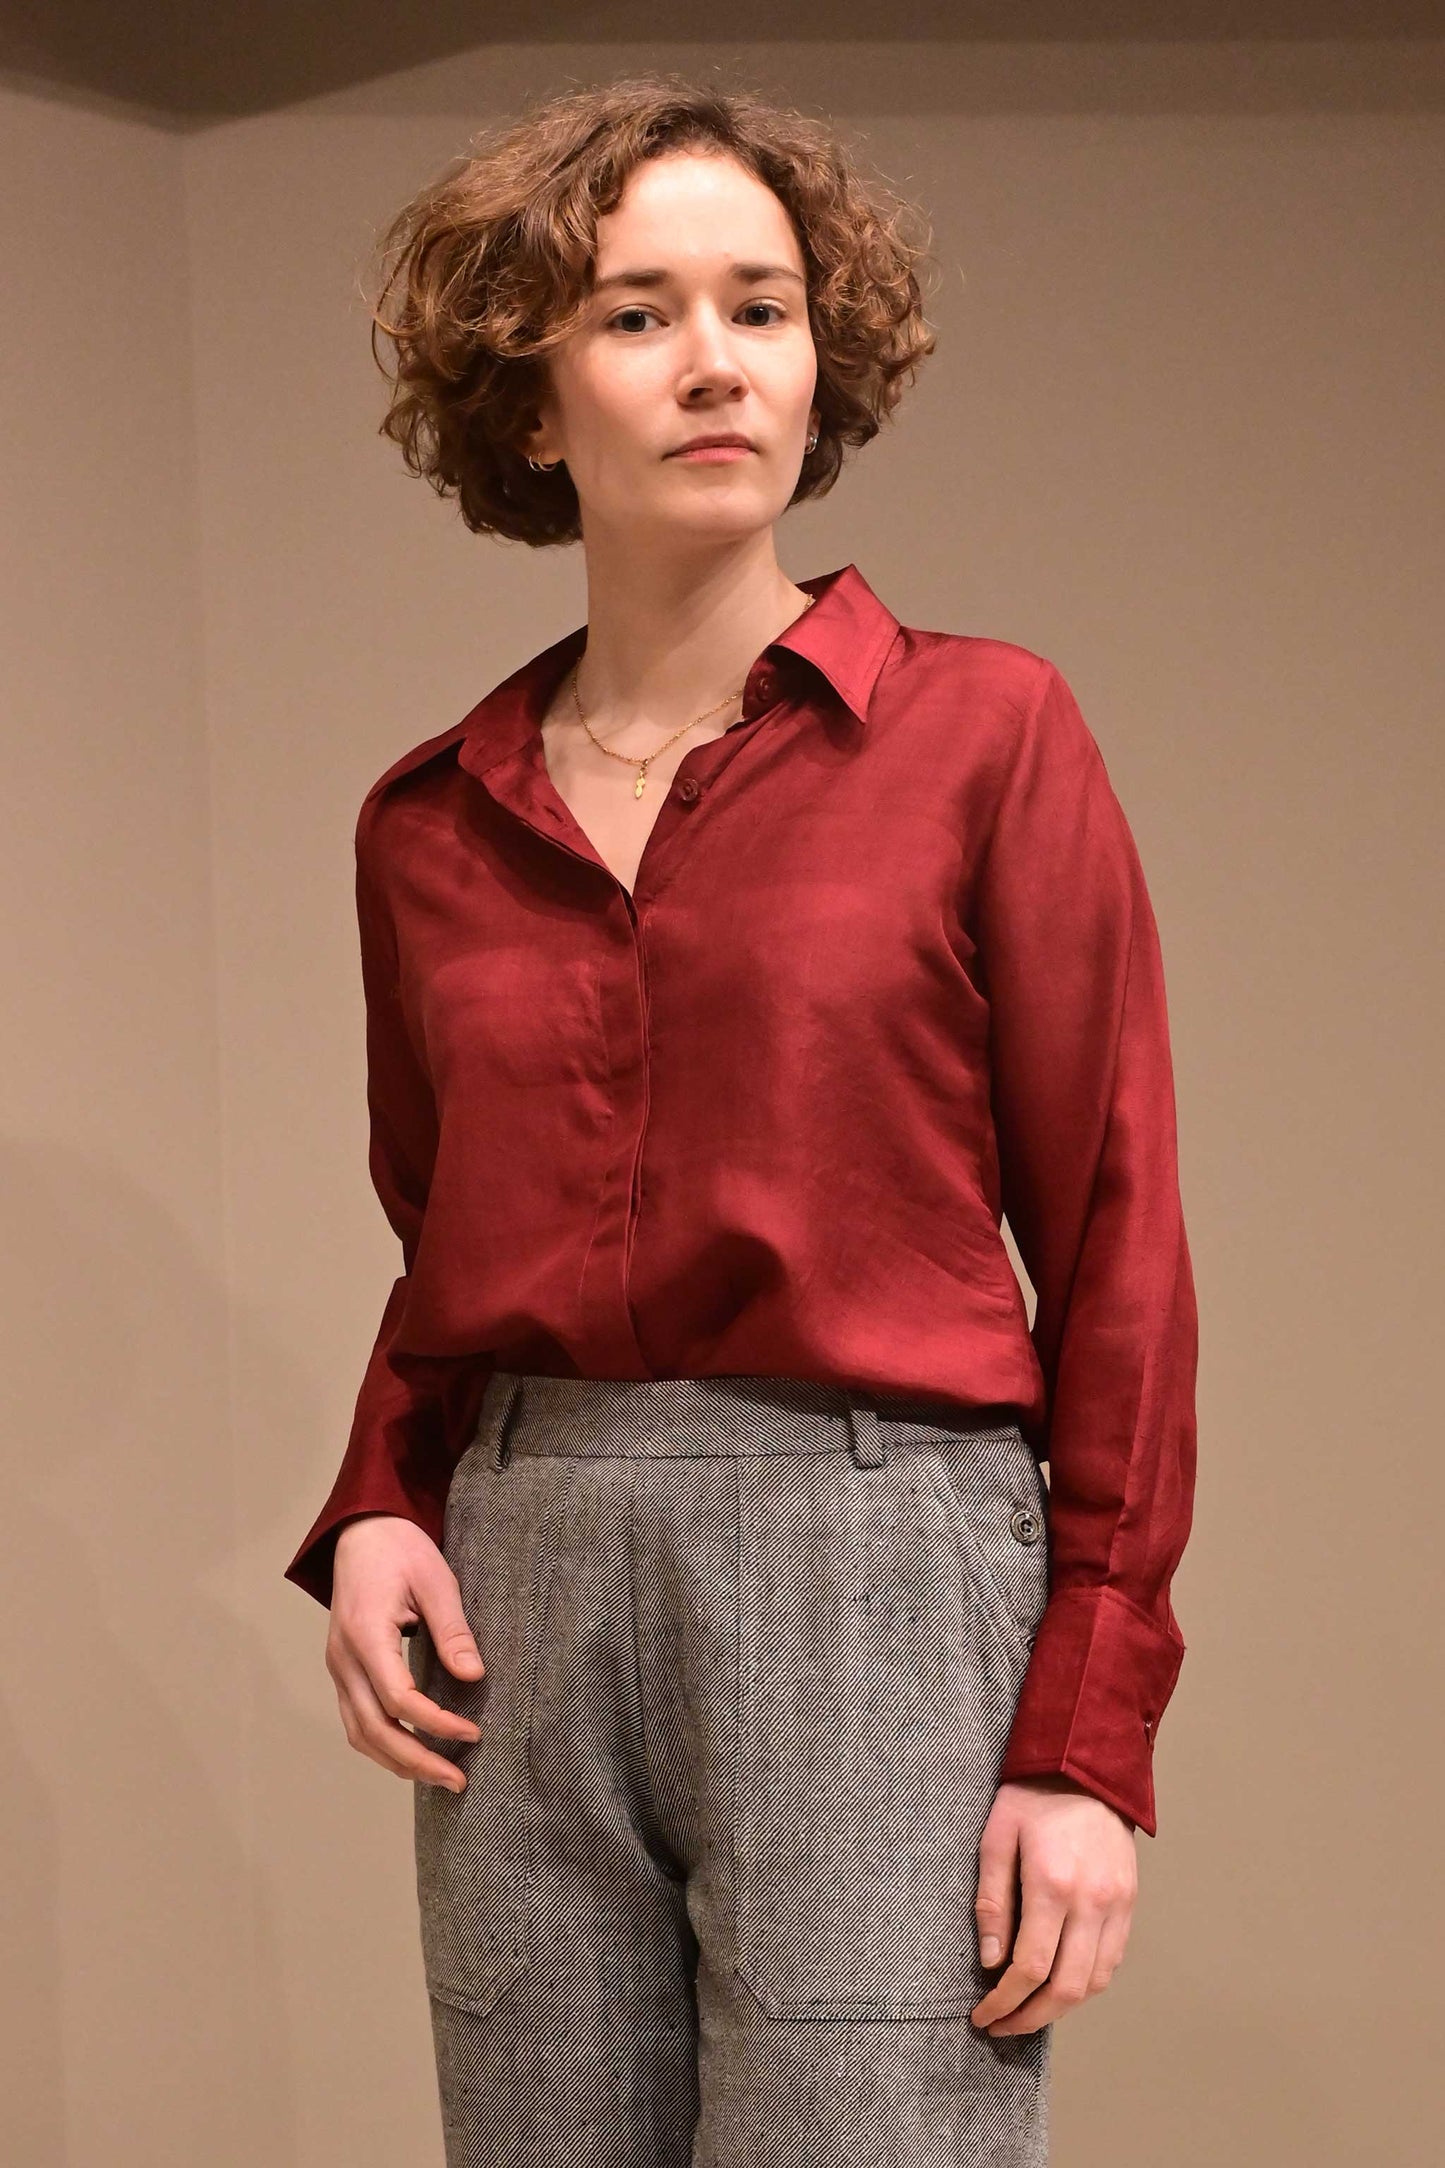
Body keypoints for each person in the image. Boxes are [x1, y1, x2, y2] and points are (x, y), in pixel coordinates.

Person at [284, 70, 1198, 2168]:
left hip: (877, 1551)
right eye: (635, 311)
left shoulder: (984, 734)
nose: (713, 360)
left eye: (763, 307)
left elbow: (1122, 1242)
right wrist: (383, 1504)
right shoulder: (430, 824)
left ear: (823, 362)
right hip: (530, 1579)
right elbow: (447, 1246)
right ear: (530, 398)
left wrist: (1086, 1738)